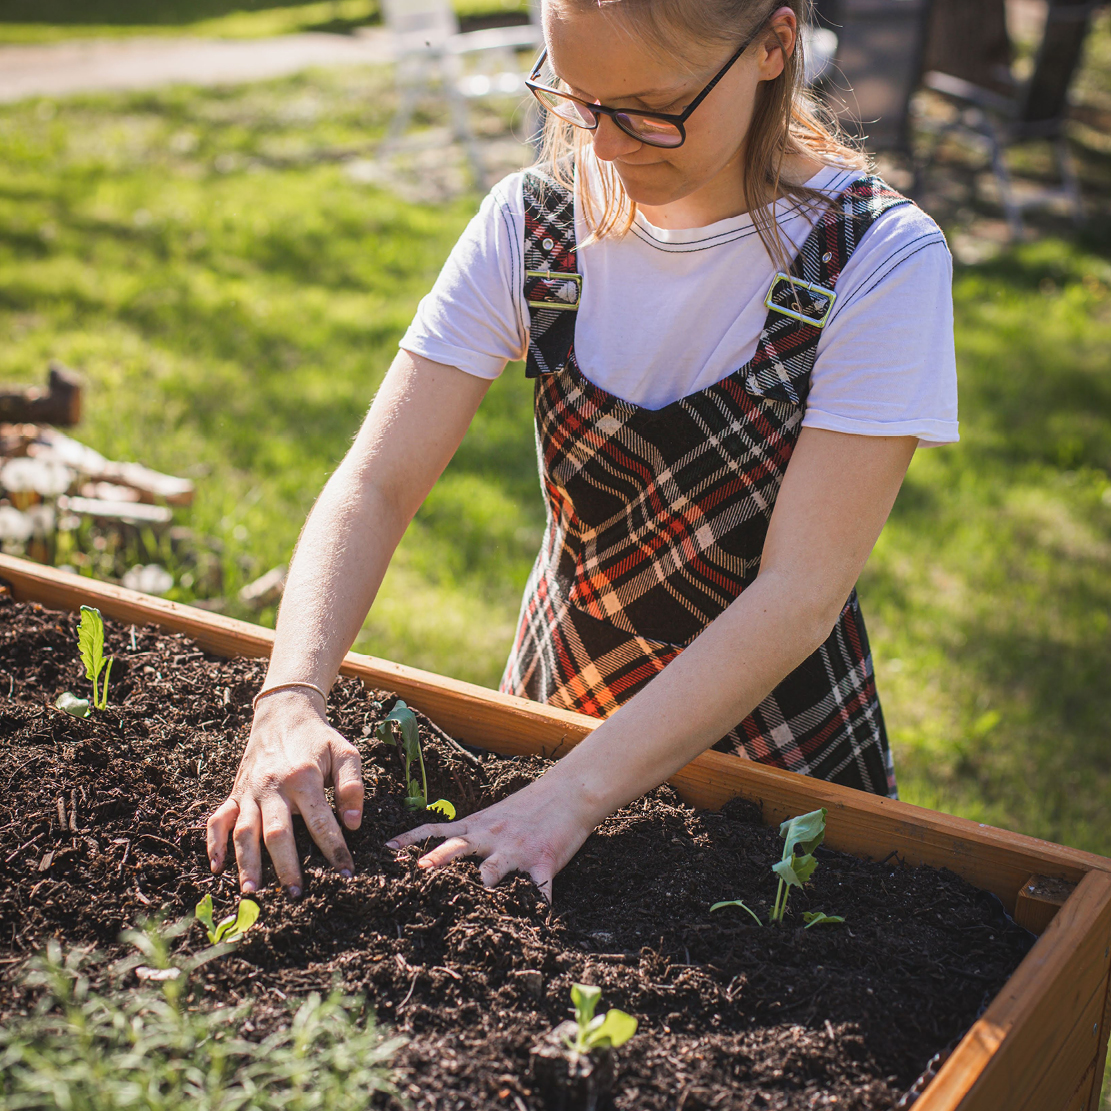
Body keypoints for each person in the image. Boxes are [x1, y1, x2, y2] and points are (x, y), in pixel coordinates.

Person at [206, 0, 957, 903]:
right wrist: (289, 695)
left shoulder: (877, 257)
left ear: (772, 45)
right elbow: (375, 483)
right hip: (556, 701)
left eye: (648, 108)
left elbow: (798, 596)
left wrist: (571, 796)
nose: (602, 148)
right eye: (577, 99)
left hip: (778, 758)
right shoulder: (534, 224)